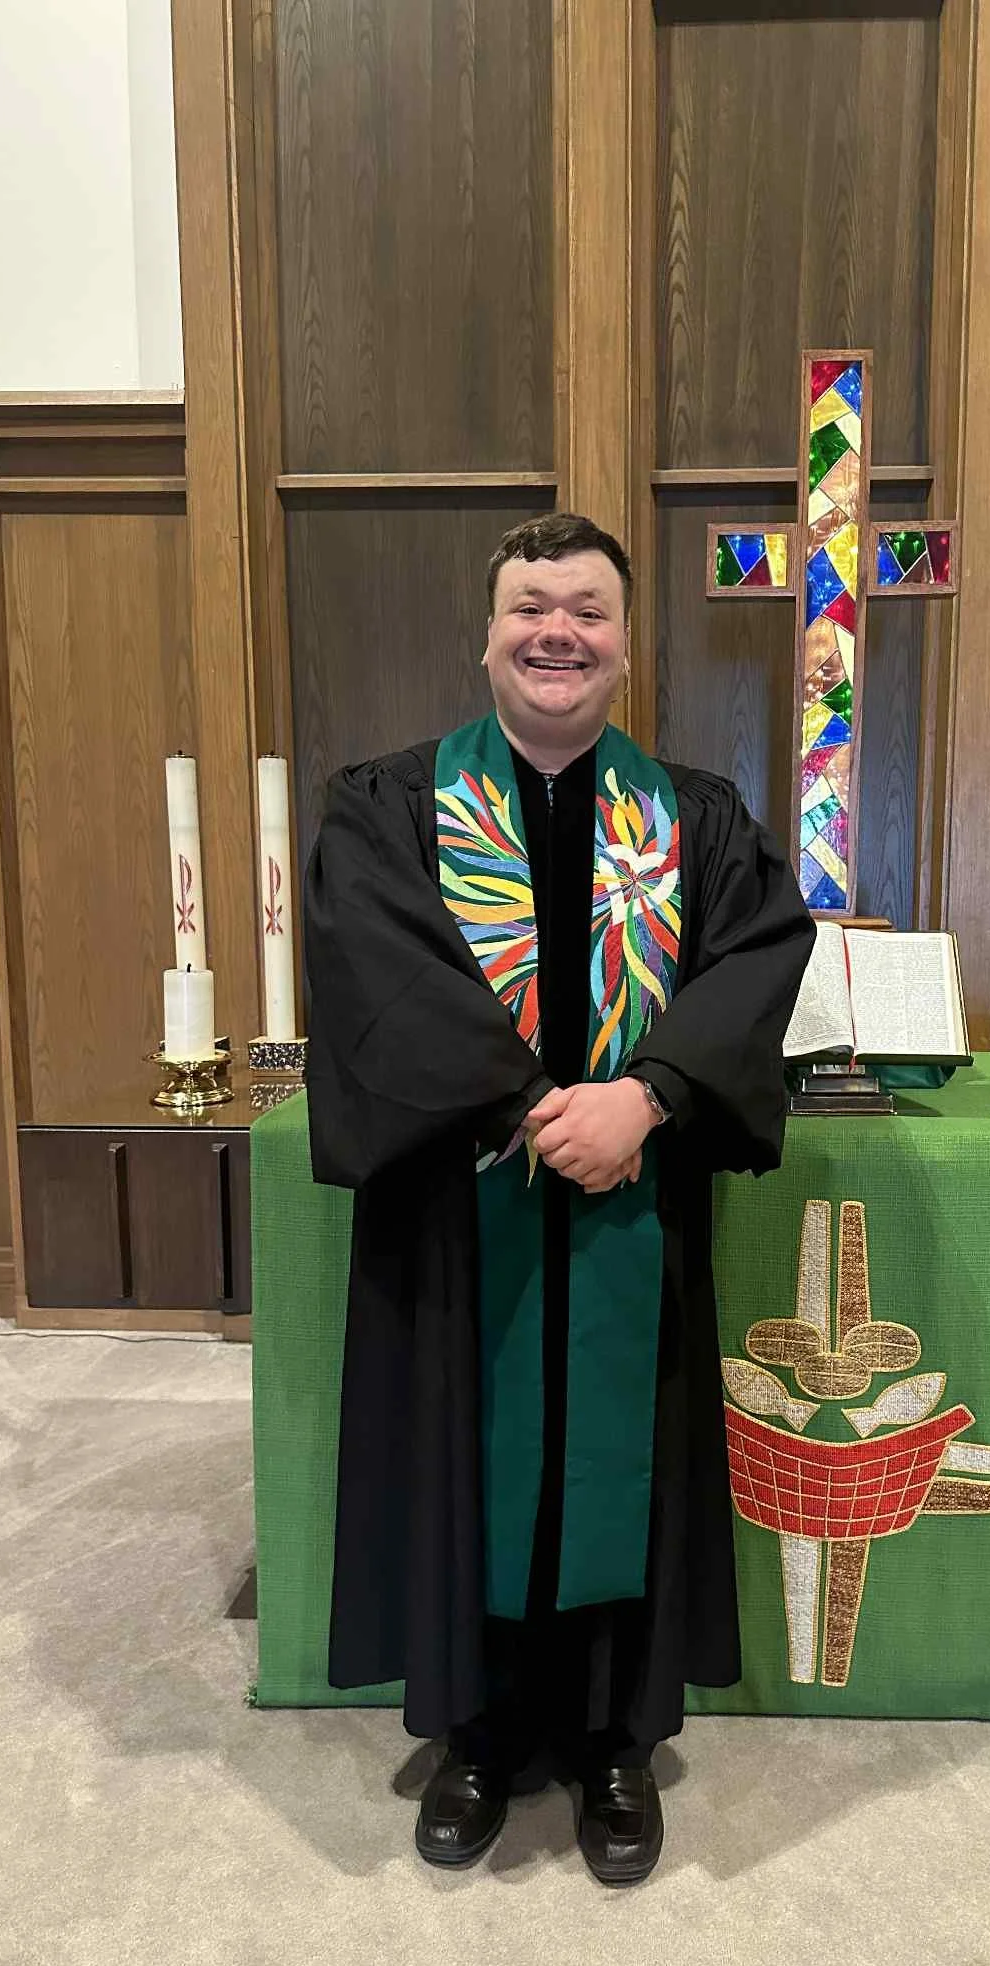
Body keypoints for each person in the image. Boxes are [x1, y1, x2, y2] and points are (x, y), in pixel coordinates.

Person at [303, 511, 814, 1885]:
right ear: (486, 635)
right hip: (462, 1228)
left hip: (628, 1218)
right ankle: (474, 1734)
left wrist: (643, 1100)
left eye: (586, 610)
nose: (556, 632)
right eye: (532, 605)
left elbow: (759, 962)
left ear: (625, 645)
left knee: (616, 1468)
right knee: (466, 1449)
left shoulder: (694, 820)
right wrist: (533, 1111)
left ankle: (611, 1746)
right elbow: (378, 971)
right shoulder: (392, 808)